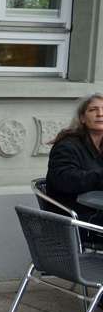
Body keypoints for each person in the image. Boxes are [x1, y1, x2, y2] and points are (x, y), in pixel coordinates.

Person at [46, 93, 103, 225]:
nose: (100, 114)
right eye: (93, 110)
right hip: (76, 219)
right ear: (82, 118)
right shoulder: (67, 145)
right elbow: (64, 179)